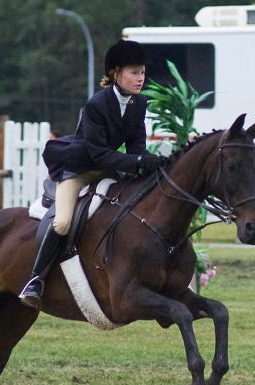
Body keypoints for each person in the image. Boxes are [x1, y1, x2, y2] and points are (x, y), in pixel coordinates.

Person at [19, 39, 165, 309]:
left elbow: (136, 147)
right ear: (116, 73)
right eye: (134, 72)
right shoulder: (96, 104)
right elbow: (98, 154)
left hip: (110, 169)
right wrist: (139, 160)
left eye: (142, 72)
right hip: (80, 170)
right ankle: (36, 279)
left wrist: (148, 165)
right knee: (62, 222)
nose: (140, 78)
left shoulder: (139, 103)